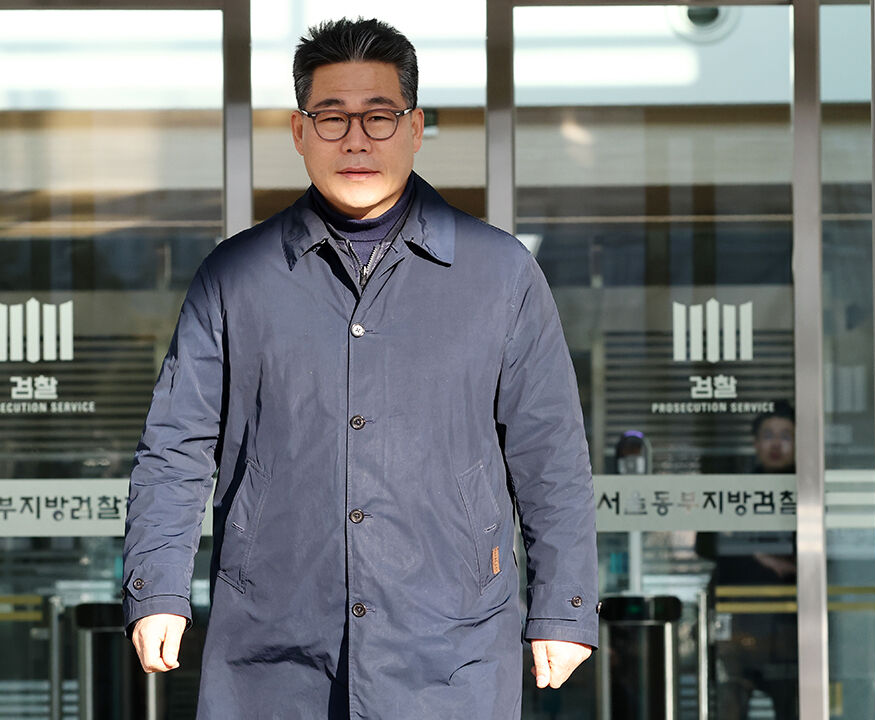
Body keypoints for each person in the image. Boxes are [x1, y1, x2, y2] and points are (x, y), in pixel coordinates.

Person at [121, 18, 599, 719]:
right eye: (332, 117)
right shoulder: (236, 275)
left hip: (449, 638)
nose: (355, 140)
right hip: (272, 635)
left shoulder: (500, 273)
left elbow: (550, 452)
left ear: (415, 127)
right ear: (299, 131)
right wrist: (158, 587)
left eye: (378, 116)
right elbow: (175, 444)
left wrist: (564, 606)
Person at [695, 401, 798, 720]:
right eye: (768, 435)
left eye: (786, 435)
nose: (776, 444)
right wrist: (757, 552)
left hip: (790, 628)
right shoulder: (739, 491)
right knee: (731, 708)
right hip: (739, 624)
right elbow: (706, 545)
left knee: (794, 707)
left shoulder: (809, 491)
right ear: (755, 444)